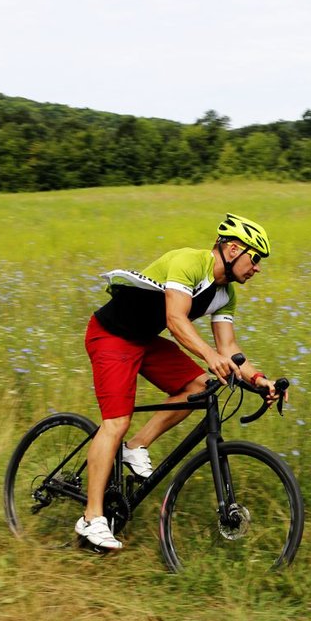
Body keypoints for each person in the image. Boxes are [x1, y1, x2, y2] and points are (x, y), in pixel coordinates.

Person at [77, 213, 281, 551]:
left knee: (199, 388)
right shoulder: (190, 262)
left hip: (143, 341)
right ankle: (91, 518)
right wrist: (209, 355)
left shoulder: (225, 294)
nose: (257, 267)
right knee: (116, 421)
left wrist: (260, 379)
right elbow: (175, 319)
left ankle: (134, 447)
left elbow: (229, 348)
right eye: (255, 258)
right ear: (232, 249)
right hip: (111, 336)